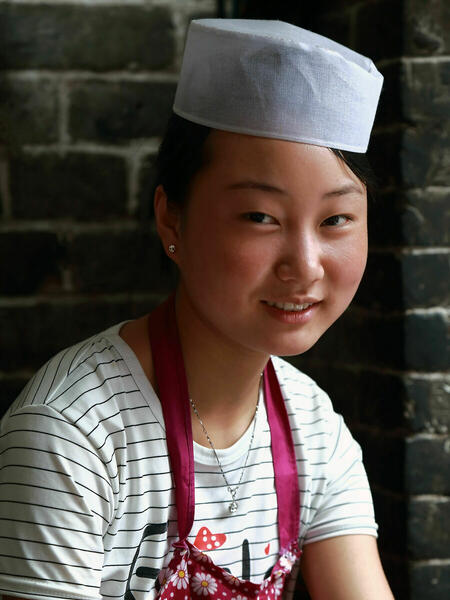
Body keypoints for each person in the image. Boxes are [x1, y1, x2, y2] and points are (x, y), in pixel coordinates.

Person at [0, 19, 394, 600]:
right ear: (171, 219)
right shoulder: (74, 433)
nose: (306, 265)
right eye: (260, 217)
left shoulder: (313, 428)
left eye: (335, 219)